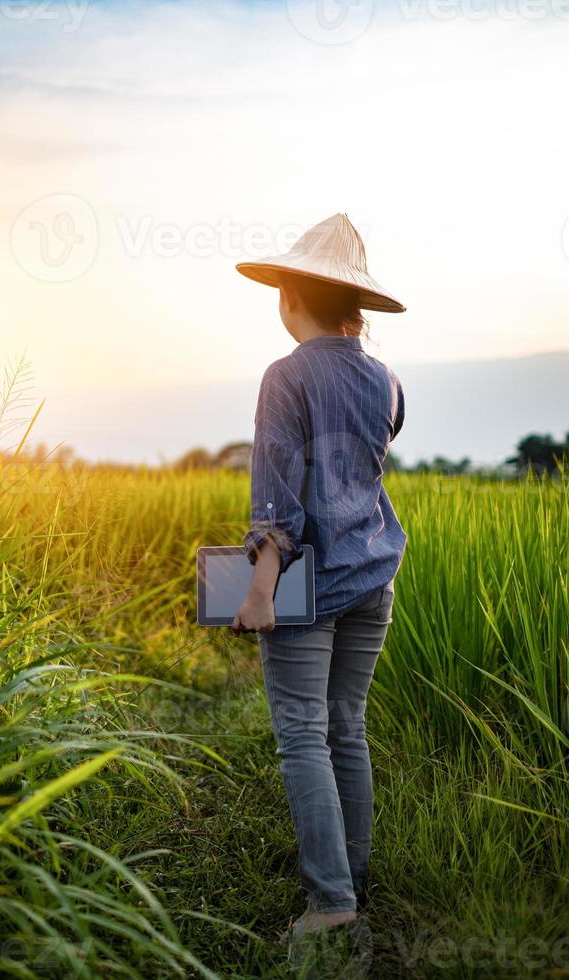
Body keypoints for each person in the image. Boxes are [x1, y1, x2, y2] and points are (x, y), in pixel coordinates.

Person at [232, 213, 407, 944]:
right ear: (355, 306)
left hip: (310, 585)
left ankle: (331, 901)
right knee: (347, 731)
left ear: (290, 297)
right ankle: (352, 881)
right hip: (375, 577)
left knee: (303, 737)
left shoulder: (287, 376)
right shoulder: (387, 379)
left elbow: (277, 501)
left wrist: (260, 591)